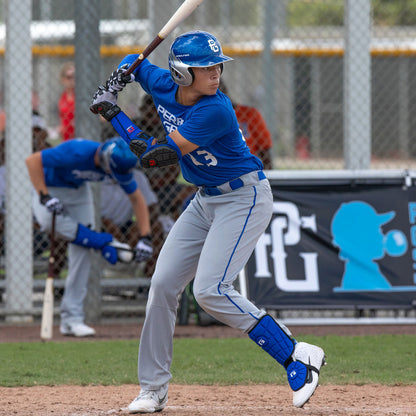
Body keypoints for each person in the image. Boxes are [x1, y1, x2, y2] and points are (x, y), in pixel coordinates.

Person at [90, 30, 325, 413]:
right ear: (182, 74)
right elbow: (134, 59)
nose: (216, 73)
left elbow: (157, 156)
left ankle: (296, 355)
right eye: (204, 68)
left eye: (217, 65)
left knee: (211, 290)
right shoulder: (163, 83)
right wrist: (121, 75)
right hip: (205, 200)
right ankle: (153, 389)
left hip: (243, 197)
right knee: (163, 284)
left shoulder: (216, 108)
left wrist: (112, 111)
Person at [25, 136, 153, 337]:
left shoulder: (120, 164)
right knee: (49, 223)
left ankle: (72, 319)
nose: (112, 176)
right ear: (103, 158)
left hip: (79, 193)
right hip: (49, 186)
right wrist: (44, 195)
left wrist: (146, 238)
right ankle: (103, 241)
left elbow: (137, 199)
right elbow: (33, 161)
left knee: (82, 250)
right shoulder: (77, 151)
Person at [219, 80, 273, 169]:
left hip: (248, 169)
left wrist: (269, 177)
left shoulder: (250, 114)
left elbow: (265, 150)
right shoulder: (206, 119)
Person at [58, 62, 76, 141]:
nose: (72, 80)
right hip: (66, 139)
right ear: (63, 79)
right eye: (69, 77)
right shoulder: (62, 98)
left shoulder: (80, 97)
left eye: (74, 77)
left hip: (78, 136)